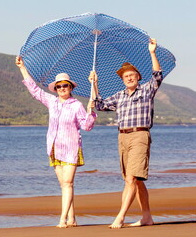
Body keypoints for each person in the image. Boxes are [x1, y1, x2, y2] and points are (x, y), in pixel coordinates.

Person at [15, 56, 97, 228]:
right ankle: (72, 218)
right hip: (54, 148)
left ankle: (62, 219)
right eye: (58, 86)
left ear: (70, 87)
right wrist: (22, 68)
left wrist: (91, 111)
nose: (61, 88)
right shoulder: (51, 102)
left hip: (71, 149)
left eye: (64, 85)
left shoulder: (76, 105)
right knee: (64, 185)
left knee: (67, 183)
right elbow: (35, 90)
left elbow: (87, 126)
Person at [89, 38, 161, 229]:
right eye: (125, 76)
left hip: (140, 135)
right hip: (122, 137)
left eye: (131, 75)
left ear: (138, 76)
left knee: (132, 178)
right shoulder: (119, 96)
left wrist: (152, 52)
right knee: (134, 181)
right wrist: (94, 84)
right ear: (122, 79)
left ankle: (120, 216)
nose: (128, 78)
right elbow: (100, 105)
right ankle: (147, 217)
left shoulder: (146, 90)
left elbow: (157, 76)